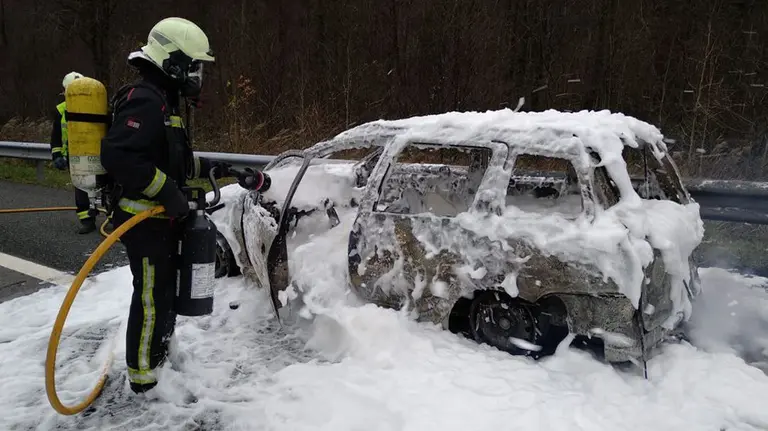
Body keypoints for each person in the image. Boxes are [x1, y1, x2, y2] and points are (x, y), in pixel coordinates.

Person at [100, 17, 271, 395]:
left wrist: (218, 168)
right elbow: (120, 157)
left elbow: (170, 162)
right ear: (171, 61)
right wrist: (168, 193)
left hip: (159, 219)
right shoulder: (145, 99)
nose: (198, 74)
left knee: (163, 293)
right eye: (193, 65)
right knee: (151, 296)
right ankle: (144, 379)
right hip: (143, 220)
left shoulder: (164, 103)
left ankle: (160, 361)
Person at [50, 71, 100, 234]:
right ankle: (87, 219)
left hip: (97, 151)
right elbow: (56, 136)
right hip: (75, 154)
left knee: (107, 186)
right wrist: (57, 155)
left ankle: (113, 217)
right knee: (81, 187)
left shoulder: (97, 105)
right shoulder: (61, 110)